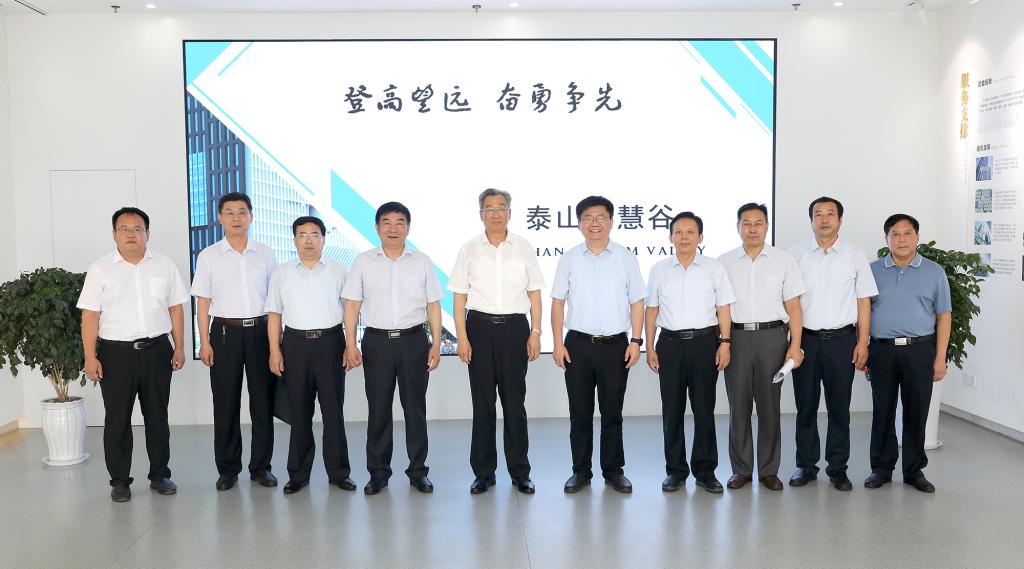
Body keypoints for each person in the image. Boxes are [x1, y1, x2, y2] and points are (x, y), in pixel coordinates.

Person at [78, 207, 189, 502]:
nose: (131, 234)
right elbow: (90, 316)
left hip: (157, 350)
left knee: (157, 416)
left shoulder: (164, 265)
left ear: (147, 233)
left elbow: (175, 308)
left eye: (137, 229)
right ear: (114, 234)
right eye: (124, 229)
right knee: (117, 419)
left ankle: (160, 474)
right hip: (116, 354)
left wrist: (179, 346)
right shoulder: (100, 269)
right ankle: (119, 481)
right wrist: (90, 356)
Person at [448, 188, 545, 495]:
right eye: (489, 208)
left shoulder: (523, 247)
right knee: (483, 404)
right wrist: (462, 338)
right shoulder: (469, 250)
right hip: (479, 328)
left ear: (509, 213)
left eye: (501, 208)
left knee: (515, 404)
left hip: (515, 329)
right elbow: (459, 298)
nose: (495, 213)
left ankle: (520, 472)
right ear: (481, 214)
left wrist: (536, 332)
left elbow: (535, 294)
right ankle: (483, 473)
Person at [342, 202, 443, 495]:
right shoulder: (363, 261)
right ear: (377, 227)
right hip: (377, 343)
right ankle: (378, 473)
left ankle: (418, 472)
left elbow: (433, 305)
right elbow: (352, 305)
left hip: (414, 341)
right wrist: (350, 343)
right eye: (386, 222)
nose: (393, 228)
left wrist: (436, 343)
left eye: (400, 222)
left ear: (408, 228)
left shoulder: (421, 261)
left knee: (415, 409)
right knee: (378, 409)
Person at [551, 196, 646, 494]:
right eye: (588, 218)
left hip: (615, 346)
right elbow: (557, 303)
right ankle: (580, 471)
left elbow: (638, 302)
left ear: (611, 221)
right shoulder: (569, 259)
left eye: (601, 217)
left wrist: (636, 341)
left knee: (612, 411)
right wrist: (557, 344)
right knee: (579, 412)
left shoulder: (625, 258)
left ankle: (613, 470)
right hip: (577, 346)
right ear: (579, 223)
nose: (595, 223)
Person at [190, 192, 279, 491]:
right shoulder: (209, 256)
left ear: (251, 216)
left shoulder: (265, 253)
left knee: (262, 403)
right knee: (225, 402)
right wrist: (204, 341)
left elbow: (275, 302)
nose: (236, 218)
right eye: (229, 212)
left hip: (260, 332)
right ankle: (228, 469)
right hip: (224, 334)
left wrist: (276, 343)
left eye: (242, 212)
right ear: (220, 218)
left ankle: (261, 467)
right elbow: (203, 302)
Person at [787, 196, 877, 491]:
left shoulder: (855, 255)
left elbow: (863, 302)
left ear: (840, 220)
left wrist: (863, 342)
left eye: (830, 214)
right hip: (806, 341)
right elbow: (790, 303)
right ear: (811, 220)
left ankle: (838, 468)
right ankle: (806, 466)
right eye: (818, 214)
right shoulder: (795, 255)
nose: (824, 219)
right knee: (806, 407)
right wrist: (793, 343)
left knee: (840, 408)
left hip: (842, 341)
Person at [645, 211, 734, 494]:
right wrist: (650, 346)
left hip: (705, 344)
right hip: (669, 345)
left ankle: (706, 471)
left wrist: (725, 342)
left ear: (700, 237)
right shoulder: (659, 269)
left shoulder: (714, 268)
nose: (684, 237)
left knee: (704, 410)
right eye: (678, 232)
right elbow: (651, 311)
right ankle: (675, 471)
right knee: (672, 411)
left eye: (690, 232)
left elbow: (723, 308)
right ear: (670, 237)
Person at [265, 216, 354, 495]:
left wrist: (350, 345)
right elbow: (274, 314)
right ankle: (298, 474)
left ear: (323, 239)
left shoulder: (339, 271)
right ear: (294, 240)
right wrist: (275, 351)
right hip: (295, 346)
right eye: (302, 235)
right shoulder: (282, 273)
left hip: (331, 343)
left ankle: (339, 473)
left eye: (315, 235)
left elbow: (350, 312)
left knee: (333, 412)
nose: (308, 240)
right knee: (299, 413)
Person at [719, 203, 805, 491]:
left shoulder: (784, 260)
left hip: (772, 338)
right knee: (738, 407)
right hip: (737, 338)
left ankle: (769, 470)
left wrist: (795, 345)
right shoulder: (723, 262)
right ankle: (741, 470)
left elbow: (794, 307)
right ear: (738, 227)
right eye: (746, 223)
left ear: (767, 226)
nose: (752, 229)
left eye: (758, 223)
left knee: (770, 407)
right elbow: (720, 308)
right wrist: (723, 342)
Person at [864, 213, 951, 493]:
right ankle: (881, 469)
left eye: (907, 233)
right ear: (886, 238)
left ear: (917, 237)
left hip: (920, 350)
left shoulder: (934, 272)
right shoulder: (872, 270)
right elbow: (862, 312)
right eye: (895, 234)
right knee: (883, 411)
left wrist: (940, 358)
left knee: (917, 412)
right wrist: (863, 347)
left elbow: (944, 316)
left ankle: (914, 471)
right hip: (882, 350)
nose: (901, 239)